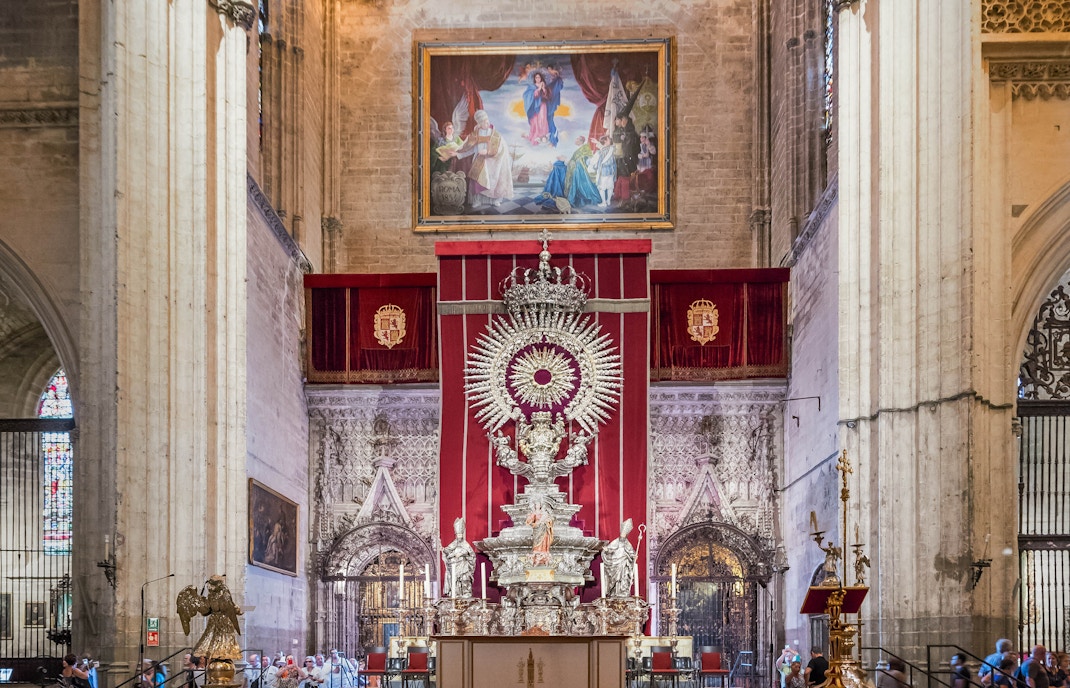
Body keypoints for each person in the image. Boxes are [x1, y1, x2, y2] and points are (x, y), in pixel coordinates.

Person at [442, 109, 513, 209]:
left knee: (493, 182)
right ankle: (477, 200)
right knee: (477, 183)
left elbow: (501, 148)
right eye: (484, 122)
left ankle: (493, 200)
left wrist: (487, 151)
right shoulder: (475, 134)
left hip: (492, 162)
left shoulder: (495, 135)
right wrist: (457, 154)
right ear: (479, 123)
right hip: (478, 161)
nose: (487, 123)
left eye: (487, 120)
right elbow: (469, 149)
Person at [602, 518, 637, 597]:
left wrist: (633, 556)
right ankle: (614, 592)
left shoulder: (627, 544)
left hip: (624, 562)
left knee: (624, 576)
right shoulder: (615, 542)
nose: (622, 538)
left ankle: (623, 590)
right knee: (615, 578)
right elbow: (610, 549)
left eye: (624, 536)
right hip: (615, 563)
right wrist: (607, 550)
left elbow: (631, 552)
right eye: (621, 536)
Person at [563, 136, 601, 208]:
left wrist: (575, 162)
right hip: (577, 169)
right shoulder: (577, 150)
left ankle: (580, 197)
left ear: (581, 141)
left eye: (577, 139)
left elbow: (587, 158)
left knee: (581, 183)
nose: (575, 140)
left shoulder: (585, 148)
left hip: (581, 170)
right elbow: (573, 160)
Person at [442, 516, 475, 597]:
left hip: (464, 565)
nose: (459, 536)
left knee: (464, 578)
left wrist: (462, 554)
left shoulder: (465, 544)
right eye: (458, 535)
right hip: (455, 565)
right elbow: (447, 550)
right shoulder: (453, 544)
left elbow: (472, 555)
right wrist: (446, 551)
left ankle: (466, 592)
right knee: (455, 579)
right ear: (456, 535)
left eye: (460, 534)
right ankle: (456, 593)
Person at [523, 71, 552, 145]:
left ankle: (542, 136)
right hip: (535, 106)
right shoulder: (532, 87)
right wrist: (539, 89)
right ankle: (535, 137)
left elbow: (547, 96)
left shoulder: (544, 85)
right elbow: (531, 95)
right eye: (536, 77)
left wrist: (544, 89)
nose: (538, 79)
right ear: (534, 78)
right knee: (535, 121)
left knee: (542, 119)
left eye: (539, 77)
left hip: (542, 105)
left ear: (541, 78)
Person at [588, 135, 616, 208]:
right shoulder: (611, 148)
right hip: (611, 172)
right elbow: (603, 147)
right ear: (605, 141)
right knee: (610, 187)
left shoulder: (600, 152)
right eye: (609, 139)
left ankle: (604, 202)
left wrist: (592, 164)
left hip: (604, 172)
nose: (610, 140)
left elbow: (593, 162)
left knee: (601, 188)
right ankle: (608, 201)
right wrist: (597, 142)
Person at [526, 501, 554, 566]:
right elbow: (530, 520)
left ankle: (544, 552)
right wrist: (530, 518)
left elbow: (550, 519)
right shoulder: (534, 513)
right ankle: (537, 552)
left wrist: (546, 521)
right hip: (537, 529)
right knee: (536, 541)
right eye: (536, 504)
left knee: (544, 539)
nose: (537, 506)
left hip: (543, 528)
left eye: (538, 505)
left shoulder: (544, 512)